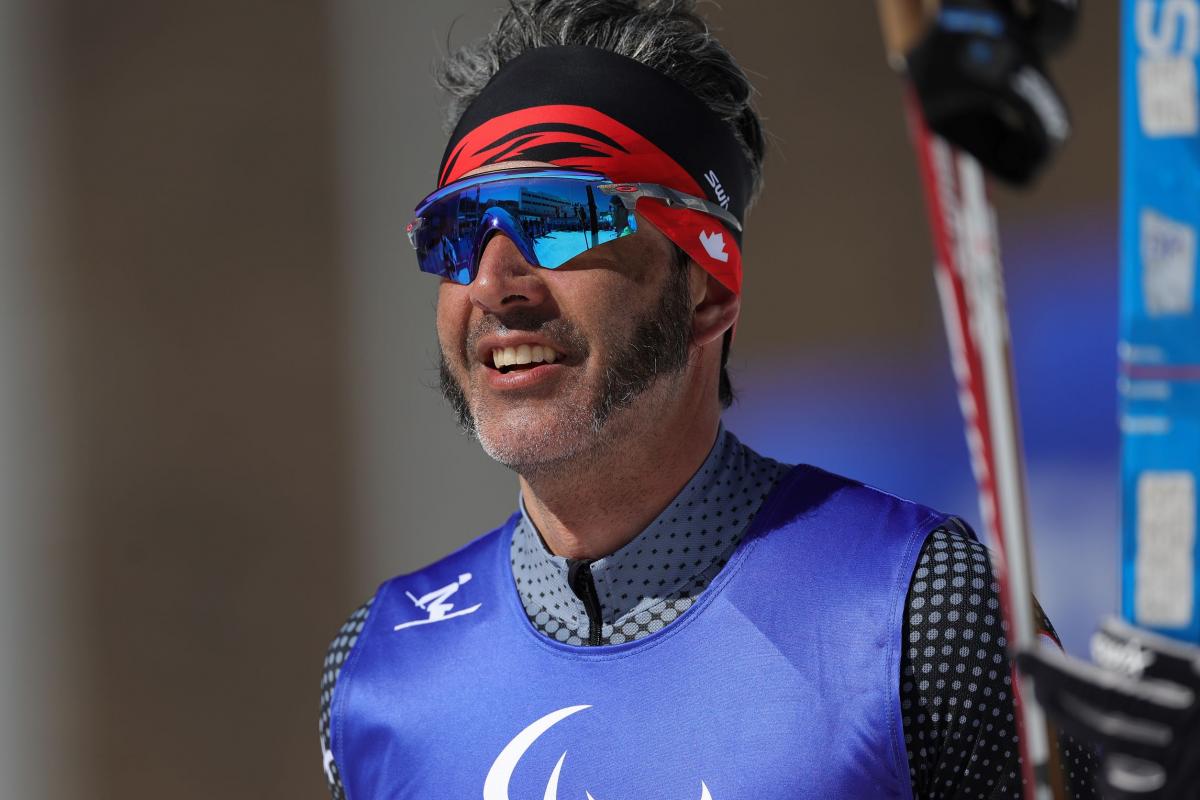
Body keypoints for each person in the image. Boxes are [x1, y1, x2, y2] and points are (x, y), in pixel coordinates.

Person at [319, 2, 1098, 797]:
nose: (491, 283)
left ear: (707, 289)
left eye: (559, 219)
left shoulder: (916, 610)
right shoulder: (381, 671)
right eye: (456, 232)